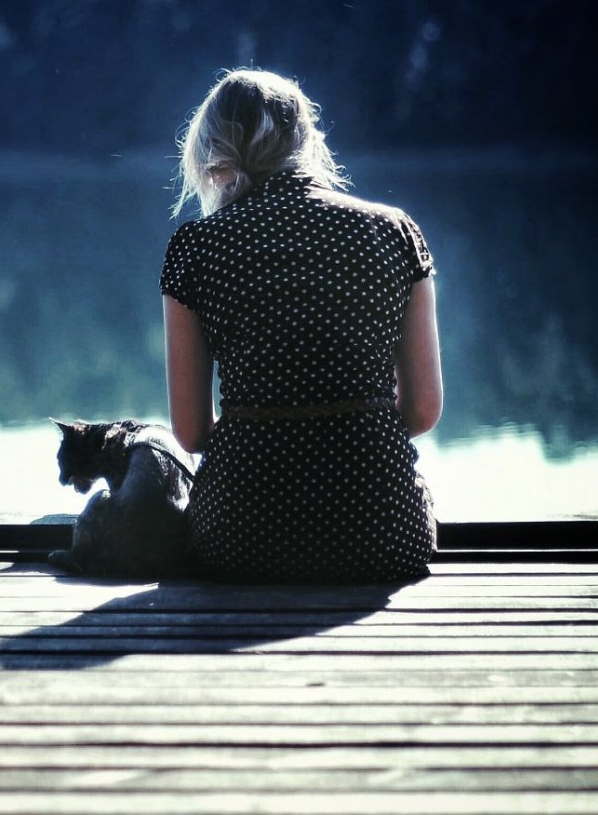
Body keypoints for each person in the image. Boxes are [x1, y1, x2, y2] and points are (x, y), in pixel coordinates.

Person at [160, 69, 442, 583]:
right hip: (385, 534)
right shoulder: (396, 231)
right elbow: (422, 411)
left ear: (210, 155)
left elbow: (192, 433)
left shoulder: (195, 247)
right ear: (306, 140)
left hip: (239, 537)